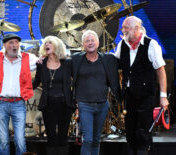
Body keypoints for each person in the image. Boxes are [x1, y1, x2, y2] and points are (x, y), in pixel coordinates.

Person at [114, 16, 169, 155]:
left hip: (146, 96)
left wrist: (163, 96)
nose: (123, 30)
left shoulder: (151, 45)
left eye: (126, 28)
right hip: (129, 95)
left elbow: (161, 70)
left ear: (137, 28)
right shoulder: (123, 44)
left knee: (143, 131)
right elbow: (114, 62)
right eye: (123, 28)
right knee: (130, 130)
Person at [71, 30, 122, 155]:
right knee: (88, 139)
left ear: (98, 43)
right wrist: (43, 58)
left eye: (92, 40)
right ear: (83, 44)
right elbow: (58, 61)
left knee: (96, 140)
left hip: (102, 105)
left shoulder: (108, 59)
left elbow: (127, 60)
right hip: (84, 105)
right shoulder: (76, 59)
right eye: (87, 41)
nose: (90, 43)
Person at [0, 33, 38, 155]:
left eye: (16, 42)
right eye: (11, 43)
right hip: (0, 103)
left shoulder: (28, 57)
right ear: (4, 45)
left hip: (18, 103)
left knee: (20, 139)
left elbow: (43, 61)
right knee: (3, 140)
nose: (14, 45)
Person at [33, 36, 75, 155]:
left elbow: (75, 81)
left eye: (50, 42)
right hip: (48, 104)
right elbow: (36, 82)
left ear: (57, 45)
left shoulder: (67, 63)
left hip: (65, 103)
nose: (47, 45)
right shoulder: (41, 64)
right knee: (51, 136)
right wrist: (21, 88)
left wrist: (75, 99)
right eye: (45, 43)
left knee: (63, 135)